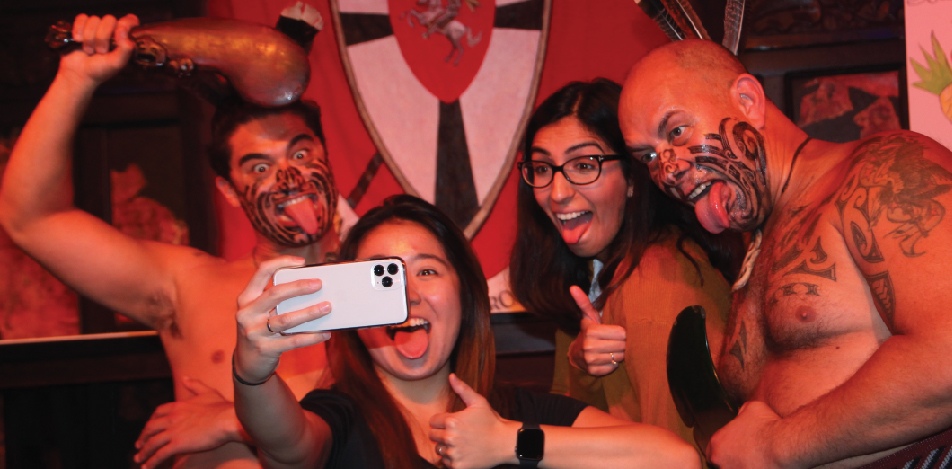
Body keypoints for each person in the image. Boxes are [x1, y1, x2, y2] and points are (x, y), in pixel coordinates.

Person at [0, 14, 344, 468]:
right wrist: (76, 79)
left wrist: (232, 419)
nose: (289, 177)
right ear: (228, 190)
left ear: (326, 154)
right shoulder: (188, 286)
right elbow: (32, 218)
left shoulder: (396, 283)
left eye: (300, 152)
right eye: (259, 167)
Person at [618, 39, 952, 469]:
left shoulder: (884, 170)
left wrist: (775, 446)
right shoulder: (756, 244)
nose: (667, 170)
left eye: (677, 131)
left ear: (748, 101)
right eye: (648, 156)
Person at [231, 195, 702, 469]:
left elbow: (675, 459)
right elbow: (287, 445)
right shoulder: (338, 417)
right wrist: (251, 371)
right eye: (383, 278)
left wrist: (508, 442)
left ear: (465, 294)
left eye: (427, 271)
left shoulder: (517, 412)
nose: (408, 296)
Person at [509, 79, 740, 451]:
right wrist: (582, 366)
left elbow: (679, 455)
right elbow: (568, 431)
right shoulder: (588, 278)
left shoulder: (658, 277)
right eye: (542, 168)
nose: (557, 192)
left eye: (584, 165)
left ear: (633, 178)